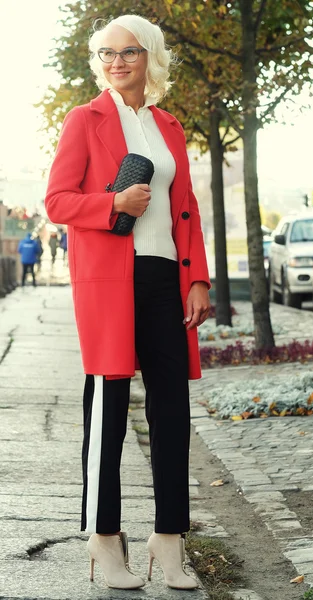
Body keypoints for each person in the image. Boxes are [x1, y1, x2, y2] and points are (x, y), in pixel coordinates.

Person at [45, 14, 210, 592]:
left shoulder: (168, 124)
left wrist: (199, 279)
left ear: (151, 57)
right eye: (107, 52)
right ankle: (103, 537)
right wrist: (113, 202)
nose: (117, 61)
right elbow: (58, 200)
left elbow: (184, 205)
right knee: (109, 405)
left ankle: (169, 540)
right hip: (112, 281)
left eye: (130, 51)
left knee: (173, 411)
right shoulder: (83, 120)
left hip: (167, 276)